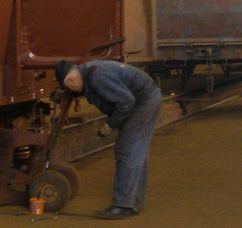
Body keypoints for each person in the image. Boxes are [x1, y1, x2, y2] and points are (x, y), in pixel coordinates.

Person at [55, 59, 162, 219]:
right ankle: (134, 202)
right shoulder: (89, 71)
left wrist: (110, 125)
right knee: (137, 152)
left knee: (127, 151)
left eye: (68, 88)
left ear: (71, 80)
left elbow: (126, 102)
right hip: (146, 98)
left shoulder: (97, 77)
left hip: (143, 103)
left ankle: (123, 205)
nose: (72, 91)